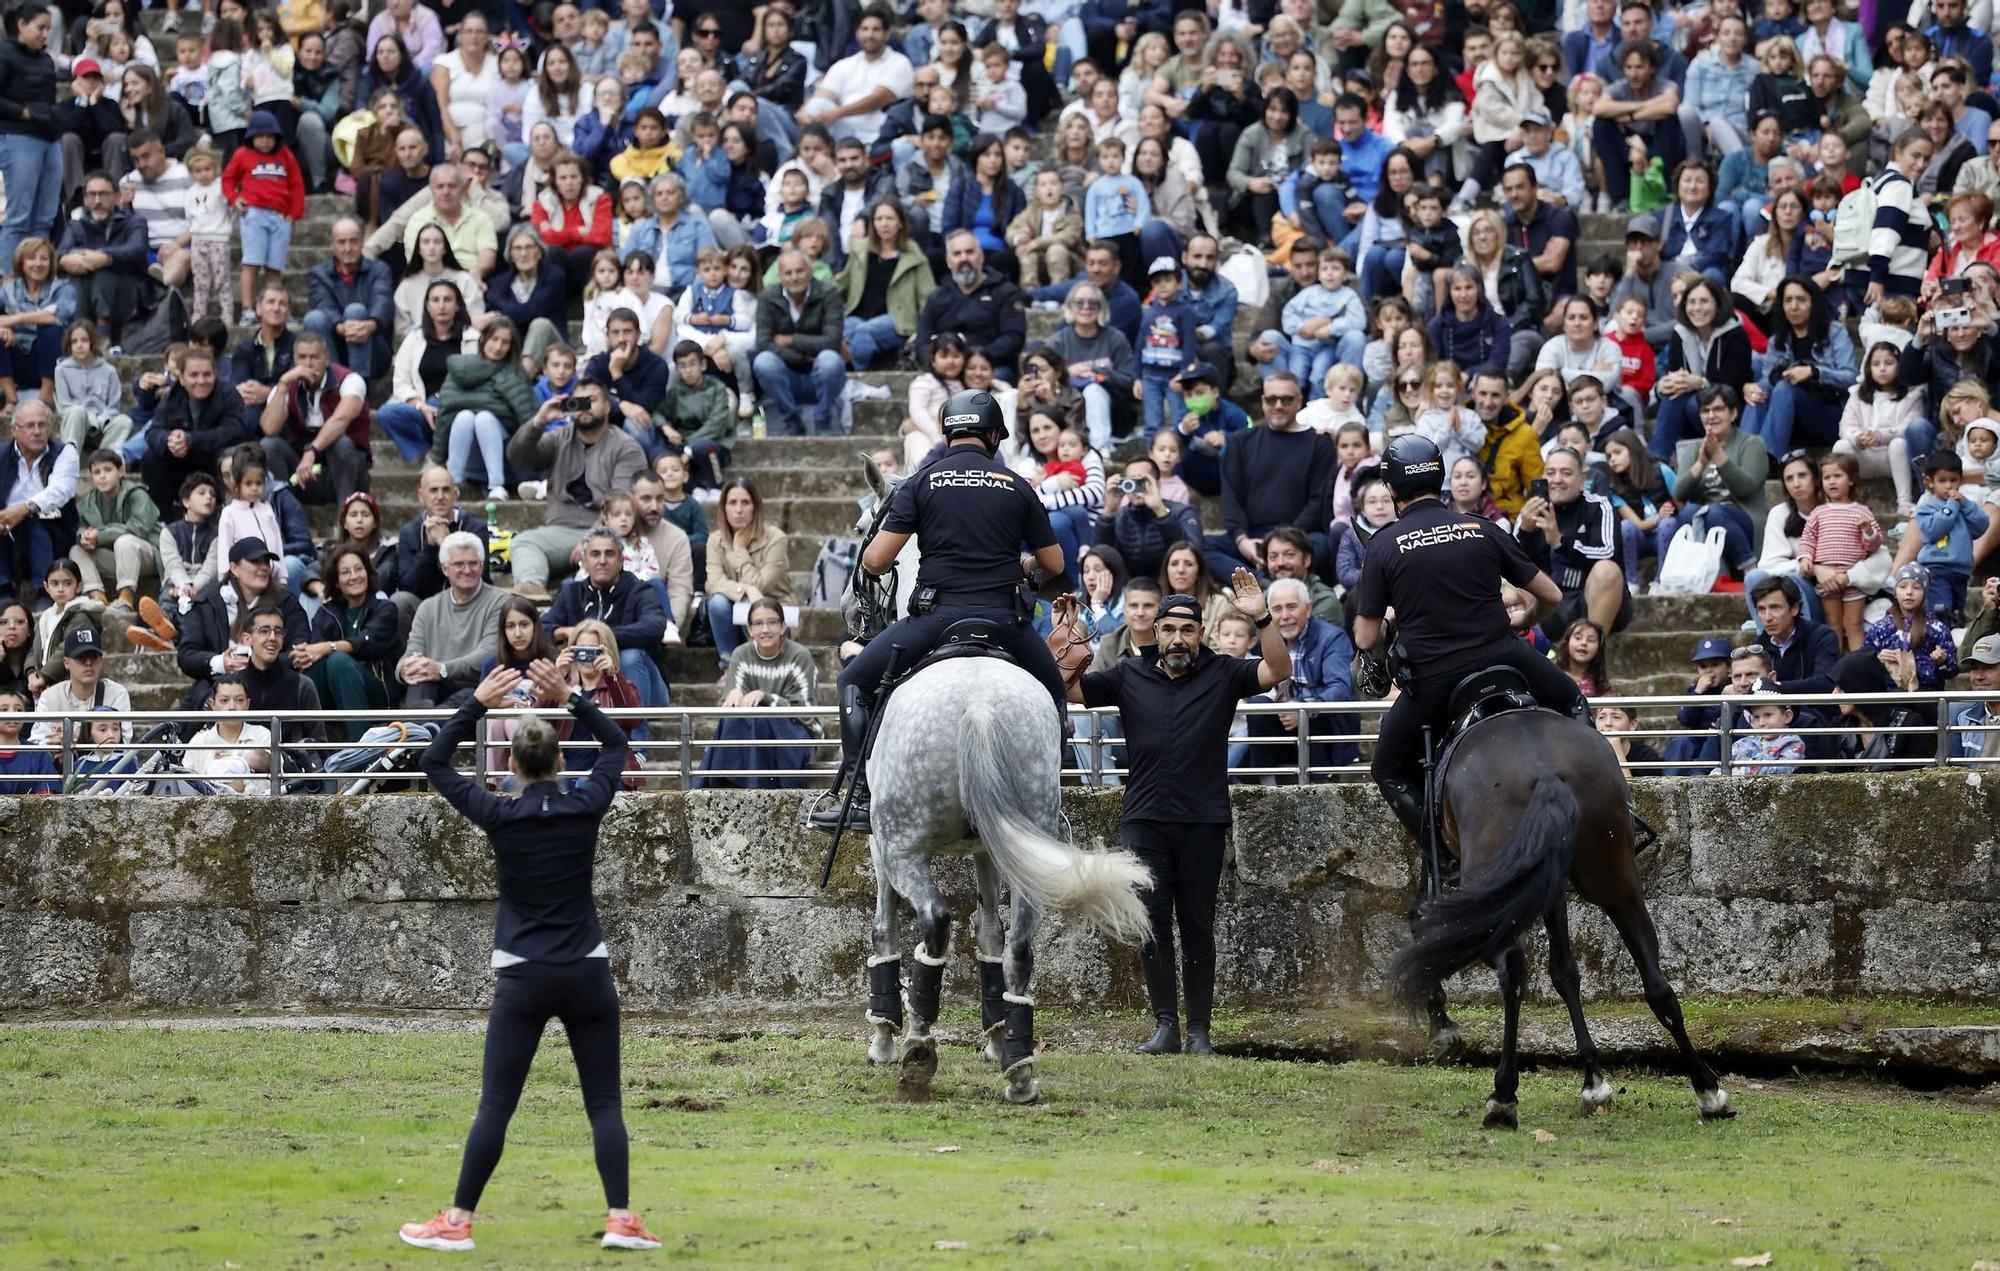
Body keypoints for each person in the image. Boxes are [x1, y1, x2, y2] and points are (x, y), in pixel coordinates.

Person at [402, 659, 662, 1256]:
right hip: (587, 973)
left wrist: (476, 704)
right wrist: (572, 698)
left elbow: (434, 762)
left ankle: (458, 1220)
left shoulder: (499, 812)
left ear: (511, 766)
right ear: (562, 763)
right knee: (603, 1105)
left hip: (522, 975)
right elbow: (618, 742)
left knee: (496, 1105)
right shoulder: (585, 804)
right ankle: (621, 1217)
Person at [809, 390, 1070, 831]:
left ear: (949, 432)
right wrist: (1021, 563)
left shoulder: (921, 482)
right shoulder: (1016, 485)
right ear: (992, 435)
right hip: (1007, 623)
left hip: (936, 620)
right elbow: (1055, 566)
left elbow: (874, 562)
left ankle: (857, 800)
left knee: (853, 682)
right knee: (1053, 694)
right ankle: (1049, 803)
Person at [1072, 573, 1285, 1055]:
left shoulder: (1224, 673)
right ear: (1156, 632)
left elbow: (1277, 669)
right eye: (1169, 629)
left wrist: (1262, 616)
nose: (1177, 639)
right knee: (1150, 925)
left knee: (1197, 926)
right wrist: (1069, 637)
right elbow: (1071, 691)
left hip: (1203, 820)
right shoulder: (1129, 673)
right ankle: (1166, 1026)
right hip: (1144, 819)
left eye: (1187, 630)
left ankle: (1200, 1032)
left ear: (1201, 634)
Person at [1352, 434, 1583, 845]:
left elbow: (1366, 635)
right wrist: (1527, 617)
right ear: (1440, 478)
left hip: (1435, 680)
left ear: (1390, 488)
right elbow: (1550, 594)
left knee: (1386, 769)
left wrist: (1389, 615)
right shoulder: (1481, 527)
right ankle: (1616, 816)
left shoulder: (1384, 544)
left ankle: (1441, 850)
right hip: (1506, 657)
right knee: (1573, 702)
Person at [502, 377, 647, 600]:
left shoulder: (626, 447)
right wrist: (538, 422)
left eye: (591, 400)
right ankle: (531, 588)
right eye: (578, 402)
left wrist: (592, 537)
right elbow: (517, 457)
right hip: (561, 529)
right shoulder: (560, 437)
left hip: (605, 530)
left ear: (607, 406)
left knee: (526, 542)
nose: (584, 407)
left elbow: (621, 505)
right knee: (523, 542)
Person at [694, 596, 820, 789]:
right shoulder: (741, 655)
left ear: (783, 627)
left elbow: (806, 712)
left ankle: (747, 788)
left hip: (795, 730)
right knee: (737, 719)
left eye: (772, 622)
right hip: (752, 729)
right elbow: (727, 708)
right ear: (750, 629)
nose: (765, 630)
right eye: (758, 624)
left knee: (759, 718)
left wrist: (766, 697)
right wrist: (734, 694)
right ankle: (720, 788)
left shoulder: (799, 655)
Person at [542, 528, 669, 709]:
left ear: (621, 561)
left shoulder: (640, 590)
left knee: (630, 657)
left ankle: (637, 736)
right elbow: (542, 628)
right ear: (584, 562)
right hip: (585, 687)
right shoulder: (572, 592)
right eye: (595, 554)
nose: (602, 561)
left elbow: (655, 626)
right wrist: (563, 632)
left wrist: (600, 638)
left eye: (609, 554)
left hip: (644, 688)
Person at [1516, 446, 1631, 642]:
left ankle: (1594, 654)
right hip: (1551, 605)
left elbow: (1608, 553)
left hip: (1593, 600)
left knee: (1607, 570)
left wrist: (1559, 542)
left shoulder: (1598, 505)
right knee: (1511, 575)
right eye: (1550, 473)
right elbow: (1515, 565)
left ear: (1582, 480)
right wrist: (1525, 533)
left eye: (1566, 473)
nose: (1557, 480)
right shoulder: (1531, 511)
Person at [258, 330, 374, 509]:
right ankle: (283, 515)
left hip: (347, 474)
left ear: (327, 359)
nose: (308, 364)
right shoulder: (288, 385)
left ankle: (346, 519)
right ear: (294, 360)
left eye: (314, 357)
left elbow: (340, 420)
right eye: (302, 357)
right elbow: (269, 428)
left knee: (341, 443)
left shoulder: (349, 380)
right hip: (303, 476)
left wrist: (311, 450)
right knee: (269, 445)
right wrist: (282, 385)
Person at [401, 529, 512, 708]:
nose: (466, 570)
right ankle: (421, 731)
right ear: (445, 569)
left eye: (473, 563)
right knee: (419, 678)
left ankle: (423, 731)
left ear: (482, 566)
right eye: (459, 564)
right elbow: (412, 651)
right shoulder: (428, 607)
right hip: (435, 686)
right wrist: (406, 669)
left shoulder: (501, 602)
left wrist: (442, 669)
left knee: (468, 694)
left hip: (478, 686)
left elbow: (488, 654)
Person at [752, 249, 846, 437]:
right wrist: (802, 356)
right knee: (763, 361)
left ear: (809, 271)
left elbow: (832, 342)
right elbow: (763, 343)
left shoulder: (828, 293)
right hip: (787, 375)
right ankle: (791, 420)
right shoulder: (768, 297)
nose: (794, 277)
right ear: (780, 276)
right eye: (788, 273)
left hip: (820, 375)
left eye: (799, 271)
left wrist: (790, 340)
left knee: (830, 360)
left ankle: (823, 419)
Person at [57, 171, 150, 351]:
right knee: (78, 270)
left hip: (128, 294)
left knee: (104, 270)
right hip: (86, 291)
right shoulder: (76, 225)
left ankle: (99, 338)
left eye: (103, 194)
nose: (97, 201)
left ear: (117, 197)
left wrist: (104, 257)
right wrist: (64, 260)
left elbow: (137, 250)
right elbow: (60, 252)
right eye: (92, 195)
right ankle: (82, 336)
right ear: (84, 199)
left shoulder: (134, 222)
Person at [703, 477, 791, 665]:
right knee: (717, 602)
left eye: (745, 502)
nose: (738, 510)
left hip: (774, 613)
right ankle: (729, 666)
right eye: (732, 503)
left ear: (755, 507)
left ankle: (760, 664)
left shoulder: (776, 538)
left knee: (746, 604)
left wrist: (740, 550)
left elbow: (761, 586)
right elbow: (713, 582)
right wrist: (745, 590)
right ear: (723, 507)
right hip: (735, 613)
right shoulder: (715, 540)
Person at [0, 400, 78, 608]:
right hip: (8, 532)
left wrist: (24, 508)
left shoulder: (64, 453)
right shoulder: (2, 454)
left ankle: (45, 591)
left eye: (42, 425)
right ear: (14, 429)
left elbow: (61, 490)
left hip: (53, 533)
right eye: (30, 425)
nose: (37, 431)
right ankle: (4, 590)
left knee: (34, 521)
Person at [304, 217, 395, 380]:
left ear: (362, 242)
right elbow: (322, 304)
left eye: (353, 241)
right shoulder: (318, 274)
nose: (348, 248)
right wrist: (341, 327)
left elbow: (383, 301)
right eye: (341, 242)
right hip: (334, 348)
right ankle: (334, 384)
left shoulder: (379, 270)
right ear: (332, 245)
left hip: (372, 349)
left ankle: (358, 389)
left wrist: (370, 325)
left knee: (356, 311)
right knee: (313, 319)